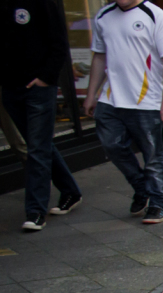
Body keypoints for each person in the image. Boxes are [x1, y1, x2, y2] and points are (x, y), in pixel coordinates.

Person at [84, 0, 163, 226]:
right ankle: (141, 187)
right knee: (112, 145)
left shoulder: (155, 15)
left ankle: (158, 202)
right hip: (111, 98)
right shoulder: (103, 16)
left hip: (146, 99)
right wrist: (91, 94)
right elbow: (99, 56)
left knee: (152, 154)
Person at [1, 0, 83, 231]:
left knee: (36, 149)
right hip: (10, 88)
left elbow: (58, 42)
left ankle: (35, 212)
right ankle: (70, 191)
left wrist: (46, 78)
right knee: (39, 144)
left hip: (38, 87)